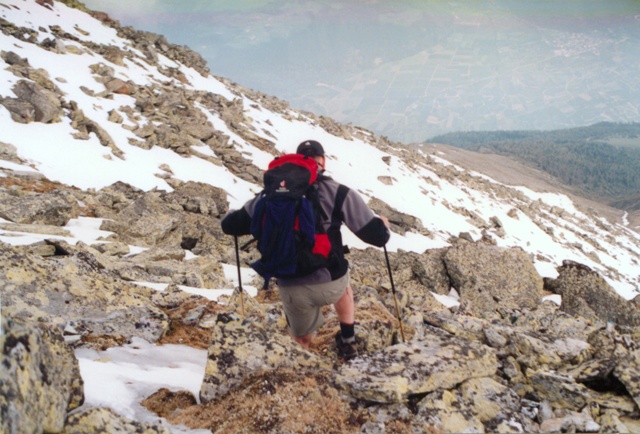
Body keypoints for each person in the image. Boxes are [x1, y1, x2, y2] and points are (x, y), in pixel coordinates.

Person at [221, 139, 390, 360]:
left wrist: (232, 213)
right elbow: (376, 237)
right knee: (343, 276)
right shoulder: (337, 191)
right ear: (323, 162)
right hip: (330, 284)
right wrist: (384, 226)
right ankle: (348, 340)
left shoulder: (271, 194)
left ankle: (301, 369)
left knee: (301, 340)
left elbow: (230, 226)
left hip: (291, 287)